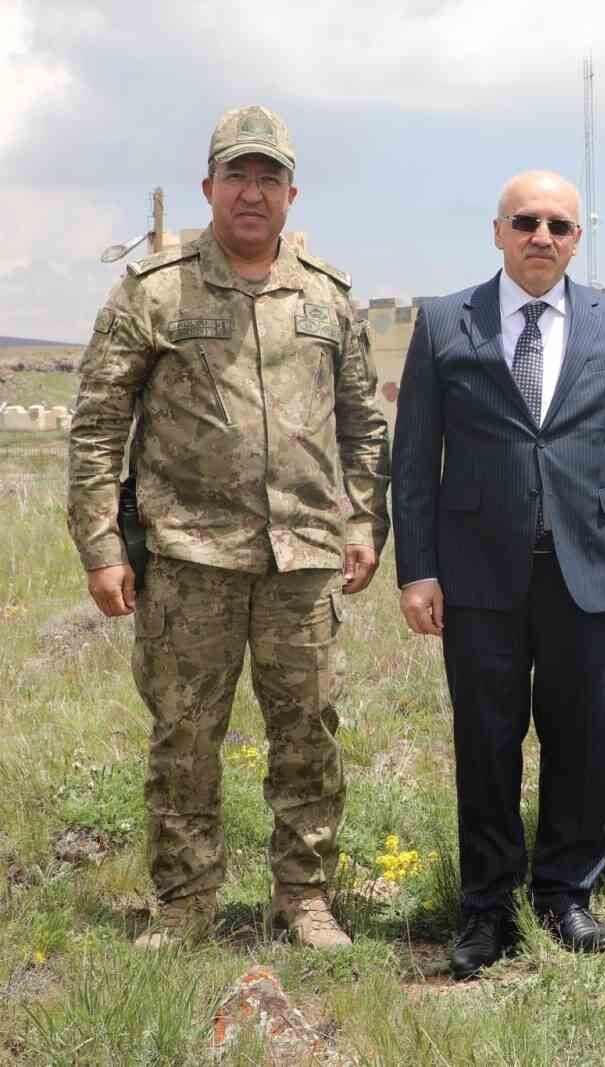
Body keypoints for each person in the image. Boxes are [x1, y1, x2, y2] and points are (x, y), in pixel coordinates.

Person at [66, 105, 391, 948]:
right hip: (187, 559)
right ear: (210, 186)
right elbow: (99, 423)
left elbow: (363, 425)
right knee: (184, 734)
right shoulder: (155, 291)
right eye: (238, 175)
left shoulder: (327, 296)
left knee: (308, 731)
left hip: (305, 559)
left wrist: (363, 521)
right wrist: (103, 547)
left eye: (269, 177)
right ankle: (184, 901)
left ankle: (305, 895)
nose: (253, 192)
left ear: (291, 192)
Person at [391, 170, 605, 978]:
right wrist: (419, 570)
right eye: (526, 222)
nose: (542, 236)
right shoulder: (446, 323)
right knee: (486, 741)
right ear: (498, 231)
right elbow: (413, 462)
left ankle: (565, 895)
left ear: (579, 239)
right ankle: (486, 907)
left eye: (559, 225)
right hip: (477, 573)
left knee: (581, 736)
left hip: (591, 569)